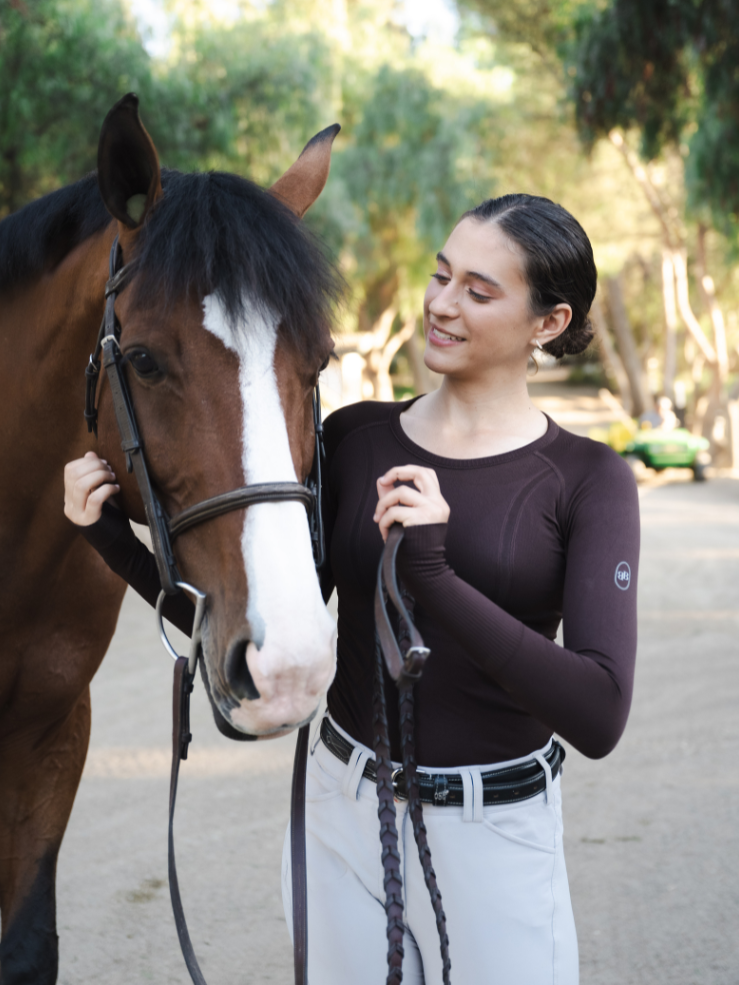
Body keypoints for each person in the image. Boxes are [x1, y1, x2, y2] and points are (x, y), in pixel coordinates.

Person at [65, 193, 639, 984]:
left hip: (496, 828)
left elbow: (599, 709)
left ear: (547, 322)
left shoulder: (587, 480)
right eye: (440, 275)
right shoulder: (355, 437)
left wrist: (432, 574)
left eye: (478, 290)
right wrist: (104, 536)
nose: (441, 303)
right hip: (340, 808)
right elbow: (255, 632)